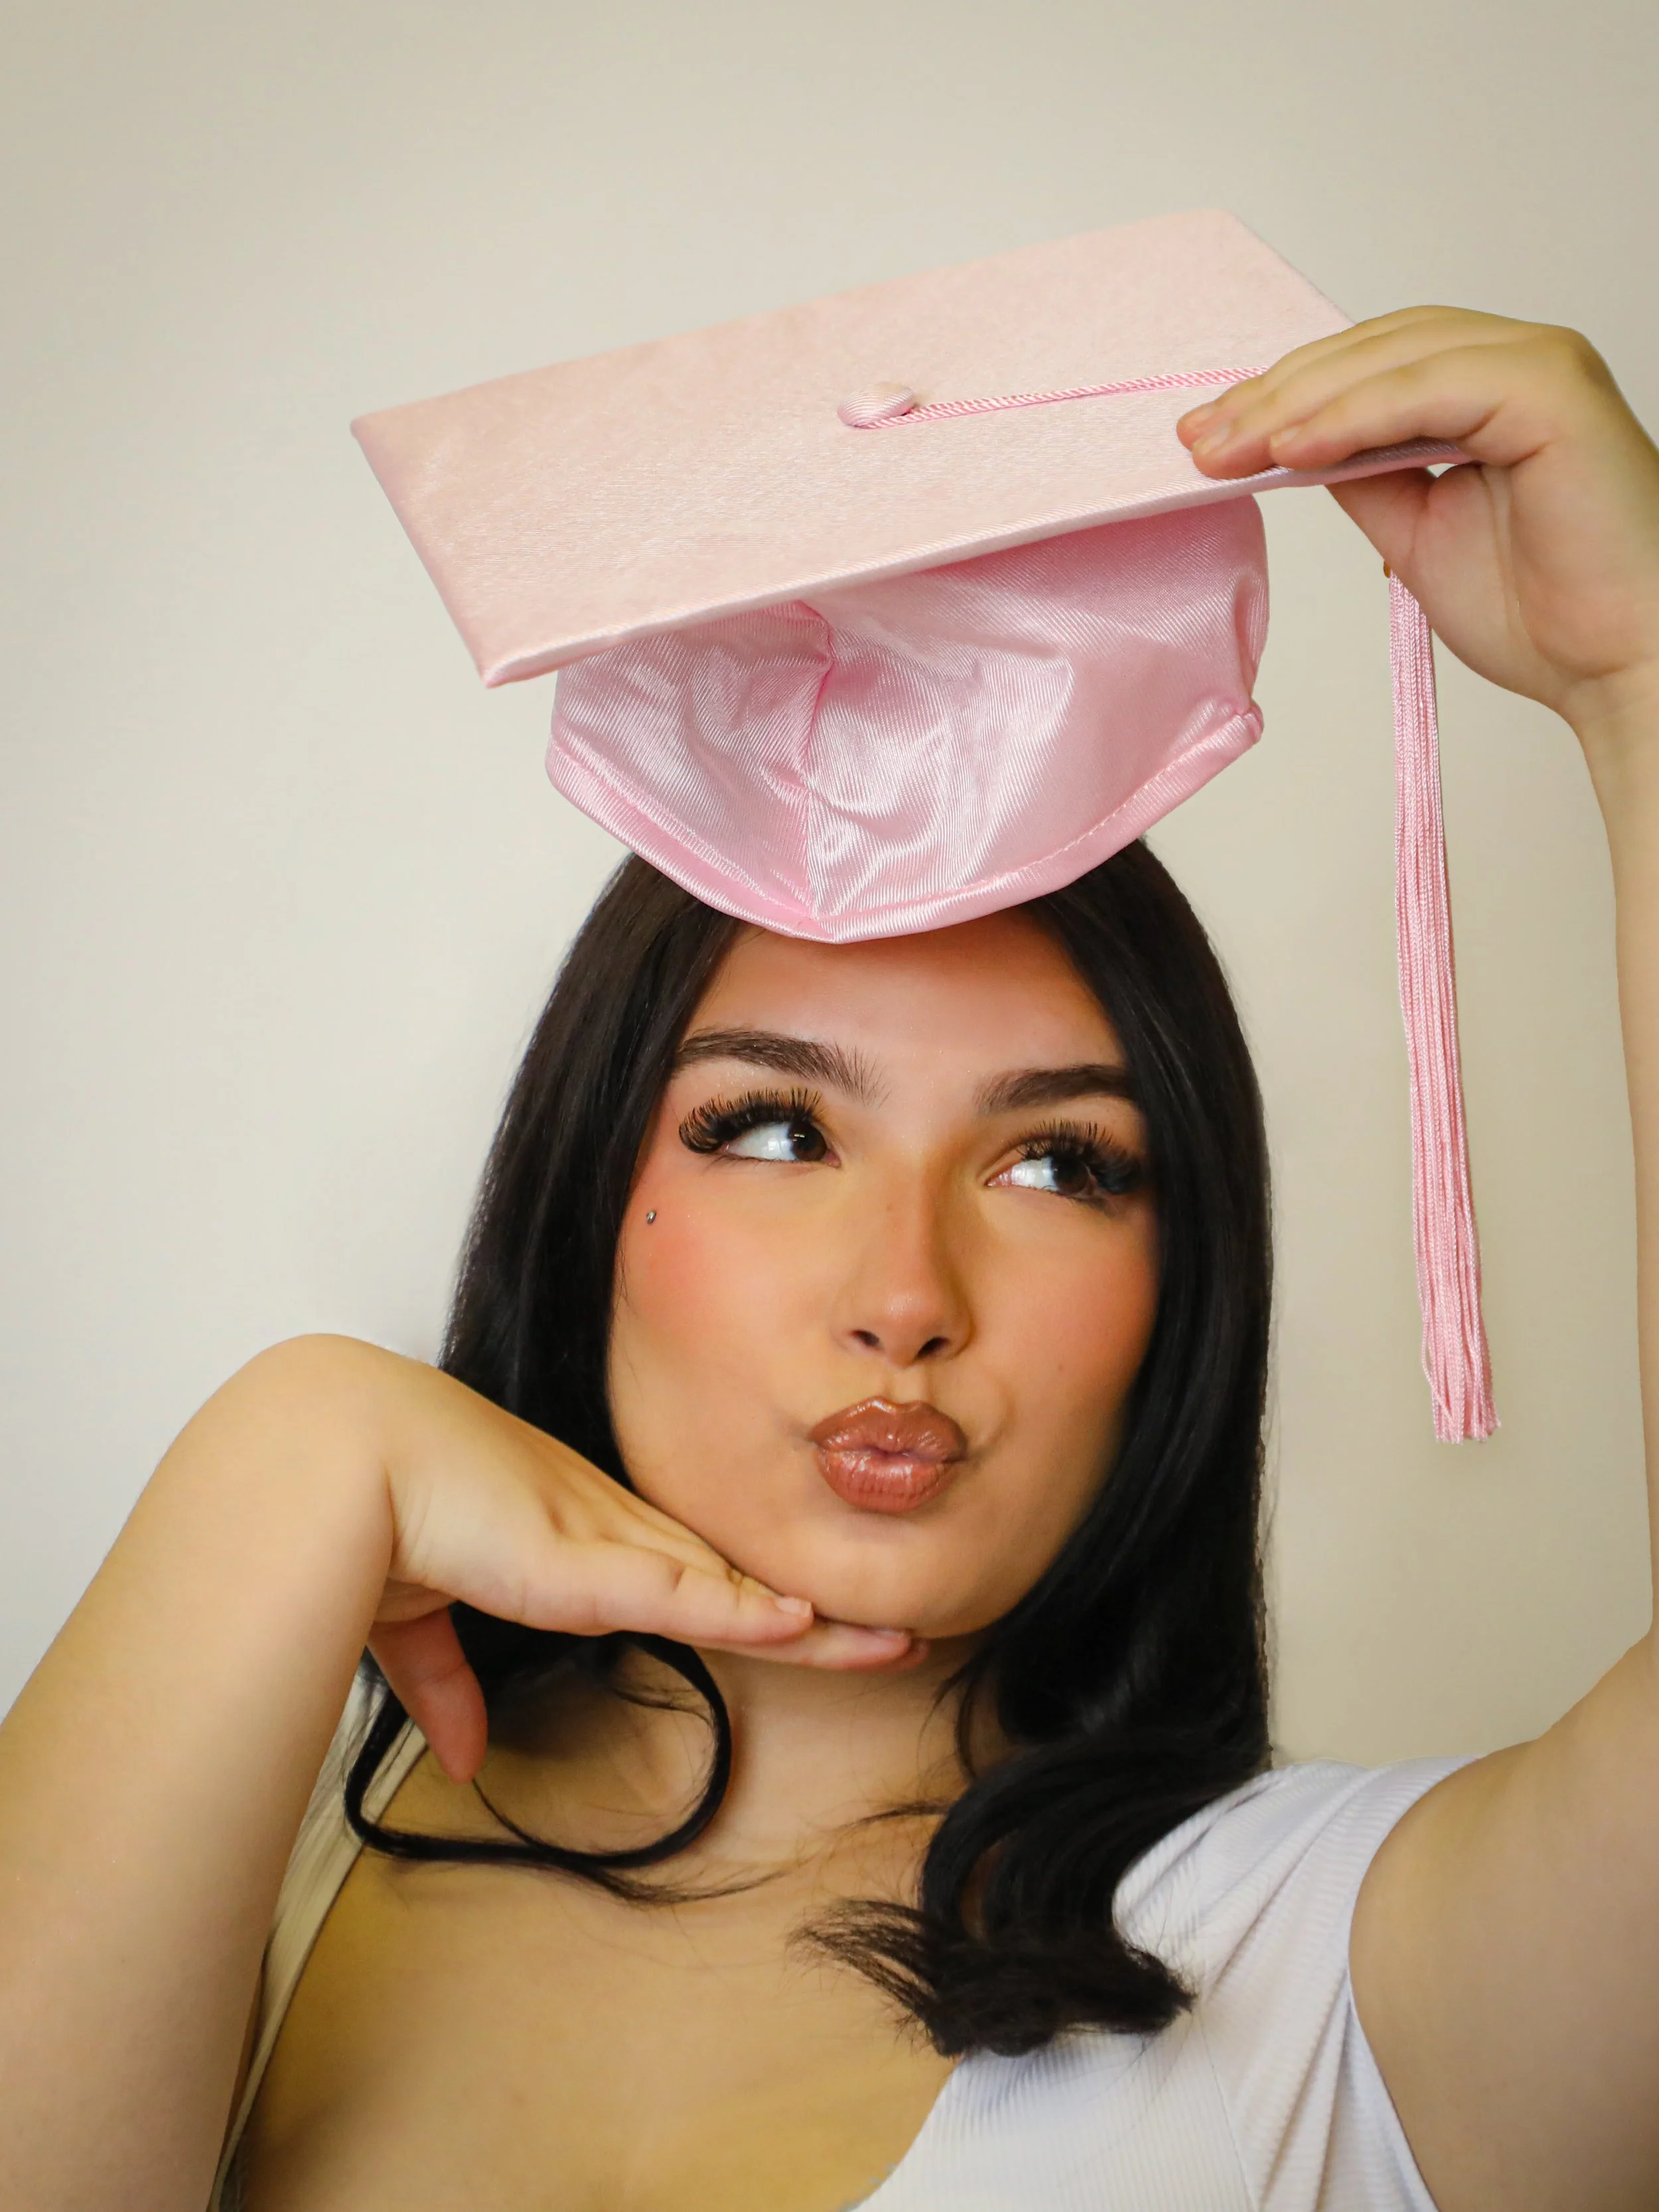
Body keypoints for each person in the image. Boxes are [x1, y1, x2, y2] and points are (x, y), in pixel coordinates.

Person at [2, 297, 1658, 2212]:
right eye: (772, 1127)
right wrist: (281, 1446)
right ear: (588, 1201)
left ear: (1180, 1295)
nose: (905, 1290)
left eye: (1056, 1163)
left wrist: (1637, 682)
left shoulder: (1359, 1978)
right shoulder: (214, 1866)